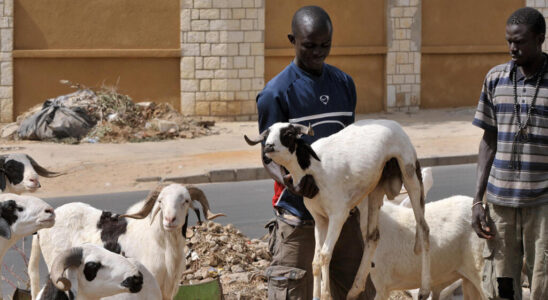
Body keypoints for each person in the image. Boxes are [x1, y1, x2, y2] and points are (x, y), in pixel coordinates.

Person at [256, 5, 374, 299]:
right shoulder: (276, 93)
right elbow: (267, 155)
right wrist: (291, 183)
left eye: (325, 45)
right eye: (309, 45)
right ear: (292, 40)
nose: (318, 52)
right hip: (297, 217)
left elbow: (351, 145)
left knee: (357, 293)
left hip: (340, 214)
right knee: (292, 294)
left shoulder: (344, 84)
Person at [472, 7, 548, 300]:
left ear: (540, 39)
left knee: (543, 283)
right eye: (509, 41)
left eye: (520, 41)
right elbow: (488, 140)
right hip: (500, 205)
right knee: (502, 285)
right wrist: (477, 200)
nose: (512, 48)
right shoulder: (495, 79)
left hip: (543, 204)